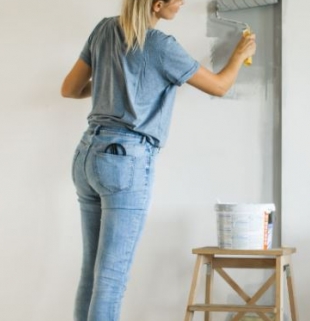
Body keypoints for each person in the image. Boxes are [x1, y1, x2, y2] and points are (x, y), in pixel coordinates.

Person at [60, 0, 256, 320]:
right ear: (157, 4)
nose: (182, 4)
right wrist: (239, 55)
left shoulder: (104, 28)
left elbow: (70, 89)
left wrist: (117, 84)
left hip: (87, 154)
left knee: (92, 273)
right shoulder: (161, 46)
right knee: (111, 279)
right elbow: (219, 86)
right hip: (125, 161)